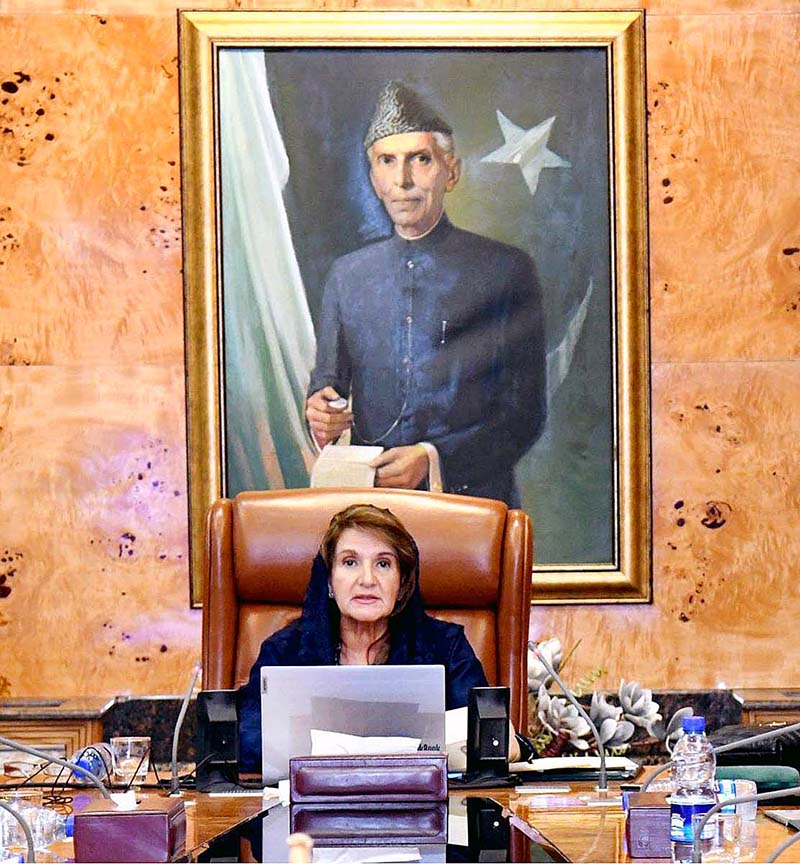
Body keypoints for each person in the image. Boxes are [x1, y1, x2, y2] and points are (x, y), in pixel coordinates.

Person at [305, 81, 547, 508]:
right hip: (371, 508)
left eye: (420, 159)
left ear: (451, 172)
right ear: (374, 177)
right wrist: (322, 412)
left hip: (473, 507)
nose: (403, 181)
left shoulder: (506, 271)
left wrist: (433, 459)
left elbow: (524, 415)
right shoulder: (346, 276)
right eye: (387, 161)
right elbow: (329, 385)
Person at [238, 503, 499, 773]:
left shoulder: (446, 648)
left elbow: (491, 739)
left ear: (402, 584)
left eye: (383, 564)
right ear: (329, 581)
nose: (367, 579)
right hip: (314, 795)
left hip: (418, 796)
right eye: (350, 562)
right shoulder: (284, 652)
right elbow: (245, 738)